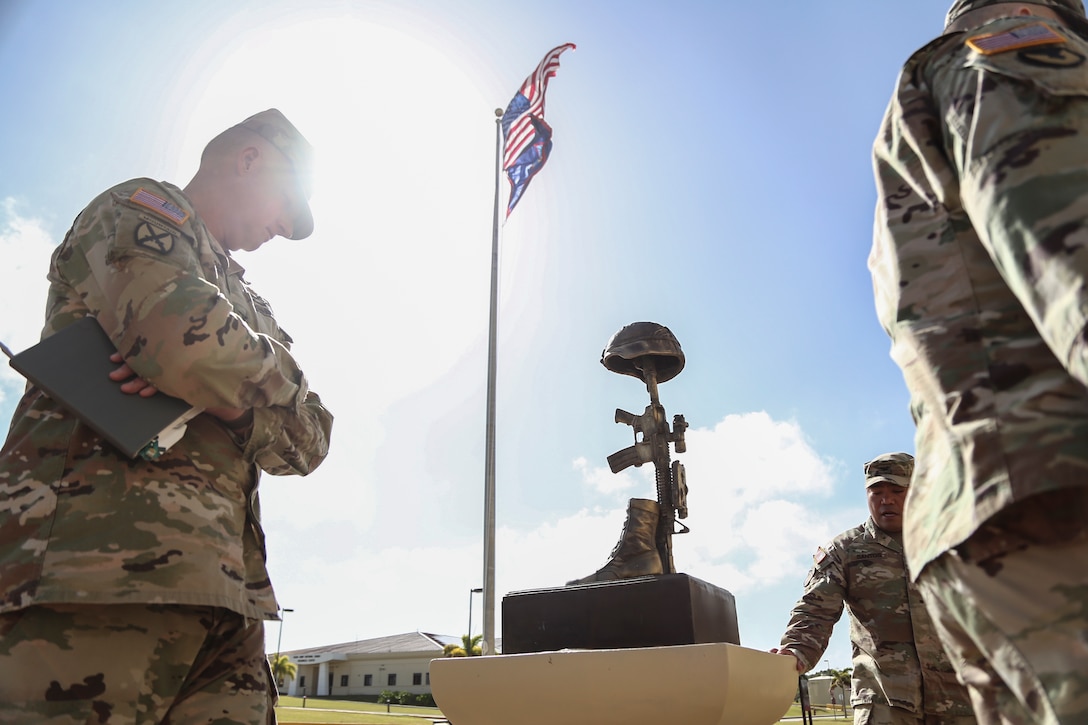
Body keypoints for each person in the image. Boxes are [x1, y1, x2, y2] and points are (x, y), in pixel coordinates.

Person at [0, 109, 334, 724]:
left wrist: (222, 398)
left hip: (229, 598)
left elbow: (310, 440)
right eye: (288, 200)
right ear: (249, 159)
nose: (285, 226)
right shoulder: (139, 209)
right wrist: (250, 385)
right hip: (93, 572)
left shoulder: (251, 302)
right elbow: (184, 339)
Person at [869, 1, 1088, 722]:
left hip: (1002, 498)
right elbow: (1063, 240)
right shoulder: (1016, 52)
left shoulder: (967, 64)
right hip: (1052, 492)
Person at [772, 453, 976, 725]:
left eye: (897, 490)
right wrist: (795, 651)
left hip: (959, 700)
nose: (886, 499)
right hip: (884, 703)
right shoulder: (845, 550)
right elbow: (815, 611)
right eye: (876, 491)